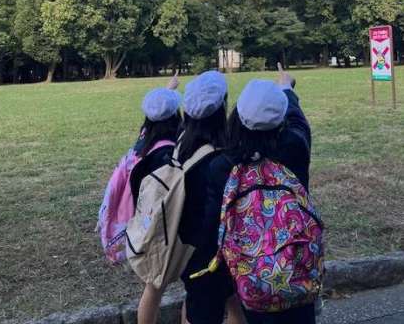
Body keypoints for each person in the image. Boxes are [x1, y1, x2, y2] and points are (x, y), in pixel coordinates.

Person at [197, 64, 317, 324]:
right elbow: (298, 121)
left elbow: (212, 226)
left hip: (250, 279)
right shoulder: (295, 148)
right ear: (281, 120)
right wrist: (286, 88)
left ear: (238, 117)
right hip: (296, 270)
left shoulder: (222, 166)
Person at [97, 74, 181, 324]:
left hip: (141, 225)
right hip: (161, 230)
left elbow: (158, 112)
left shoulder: (144, 142)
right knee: (158, 286)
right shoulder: (167, 153)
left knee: (152, 288)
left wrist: (169, 88)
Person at [178, 70, 245, 324]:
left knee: (196, 305)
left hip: (189, 251)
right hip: (216, 255)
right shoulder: (223, 158)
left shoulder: (181, 145)